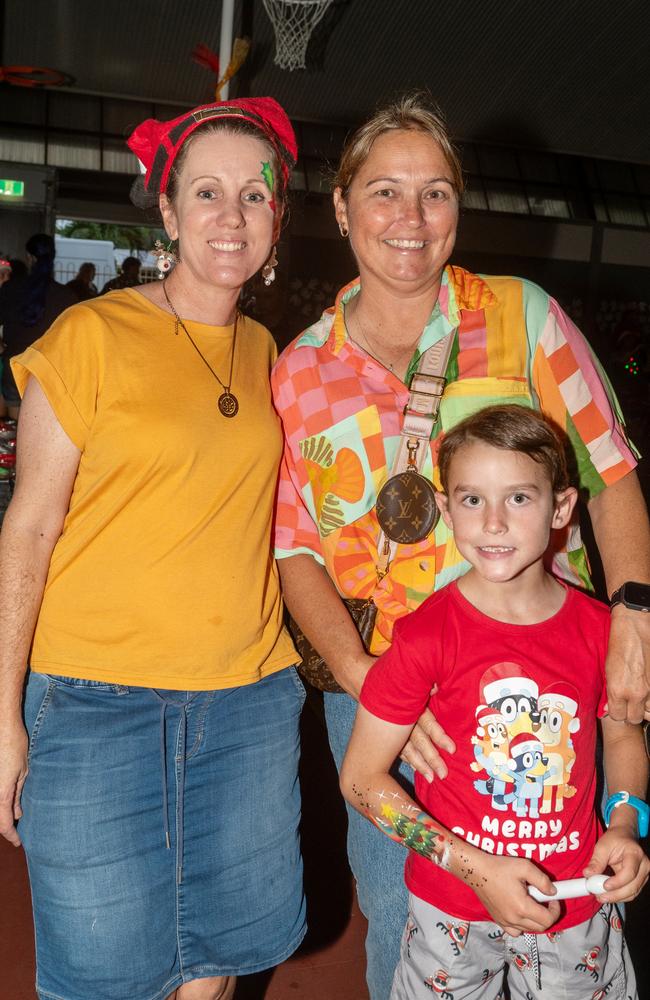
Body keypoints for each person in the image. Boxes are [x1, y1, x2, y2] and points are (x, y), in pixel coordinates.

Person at [271, 93, 650, 998]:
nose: (410, 219)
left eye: (435, 193)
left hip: (547, 685)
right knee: (415, 935)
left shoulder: (524, 315)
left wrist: (634, 617)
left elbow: (612, 477)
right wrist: (373, 685)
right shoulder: (301, 368)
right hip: (396, 705)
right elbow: (296, 552)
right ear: (341, 206)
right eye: (385, 192)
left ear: (460, 207)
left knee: (571, 930)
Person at [0, 97, 305, 1000]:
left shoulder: (268, 351)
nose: (232, 216)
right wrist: (2, 714)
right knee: (100, 976)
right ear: (167, 212)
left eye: (255, 195)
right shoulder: (89, 336)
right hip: (95, 702)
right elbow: (28, 529)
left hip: (246, 699)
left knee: (216, 956)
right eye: (207, 193)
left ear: (277, 219)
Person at [341, 404, 649, 999]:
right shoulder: (425, 634)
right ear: (445, 505)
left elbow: (621, 734)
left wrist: (626, 823)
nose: (493, 524)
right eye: (472, 499)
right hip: (449, 909)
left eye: (519, 498)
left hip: (574, 901)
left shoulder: (599, 630)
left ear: (561, 507)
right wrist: (478, 871)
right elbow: (360, 779)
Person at [0, 234, 76, 419]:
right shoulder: (67, 296)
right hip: (49, 373)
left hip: (15, 365)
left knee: (14, 431)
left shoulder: (10, 289)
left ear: (29, 257)